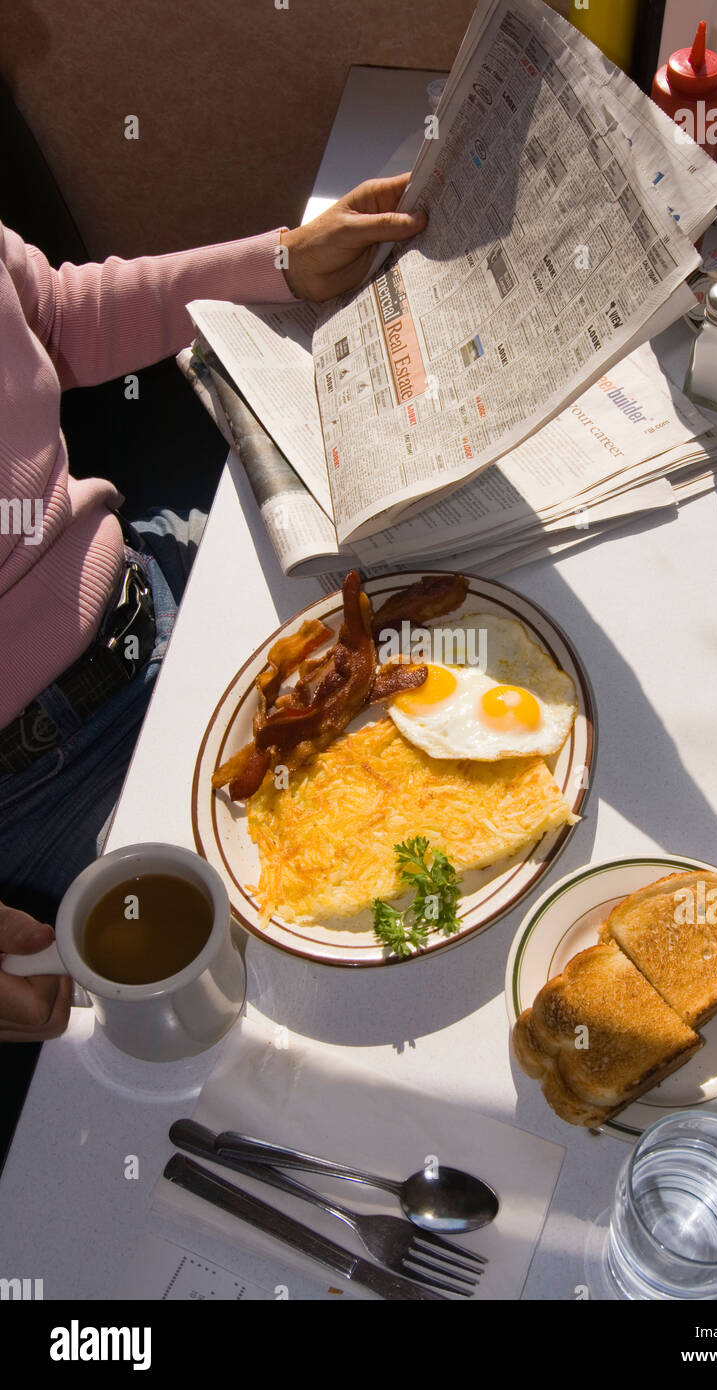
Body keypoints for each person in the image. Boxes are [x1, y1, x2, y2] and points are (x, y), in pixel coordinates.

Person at [0, 174, 426, 1042]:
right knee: (311, 991)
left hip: (146, 590)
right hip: (44, 786)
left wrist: (277, 263)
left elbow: (47, 314)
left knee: (444, 640)